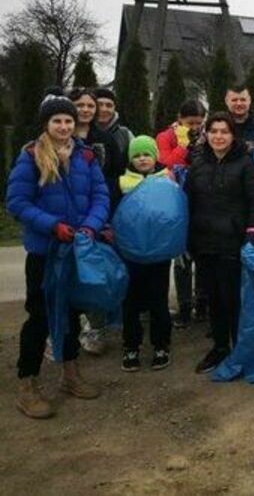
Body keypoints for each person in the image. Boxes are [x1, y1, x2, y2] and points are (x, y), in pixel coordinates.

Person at [6, 95, 110, 419]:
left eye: (68, 121)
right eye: (57, 122)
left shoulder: (86, 156)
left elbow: (100, 196)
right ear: (46, 125)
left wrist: (90, 227)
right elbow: (17, 202)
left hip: (77, 249)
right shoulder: (31, 156)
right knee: (40, 316)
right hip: (46, 251)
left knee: (71, 312)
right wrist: (53, 226)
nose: (64, 127)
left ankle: (70, 374)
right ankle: (27, 384)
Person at [184, 112, 254, 374]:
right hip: (204, 242)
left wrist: (253, 237)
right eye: (214, 131)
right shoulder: (197, 165)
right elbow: (188, 203)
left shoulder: (247, 164)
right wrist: (184, 239)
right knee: (213, 299)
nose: (218, 136)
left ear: (233, 135)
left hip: (233, 243)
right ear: (206, 134)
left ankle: (240, 347)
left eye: (224, 131)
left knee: (233, 300)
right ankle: (220, 347)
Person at [69, 87, 125, 356]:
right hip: (66, 217)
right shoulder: (57, 137)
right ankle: (66, 327)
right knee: (66, 274)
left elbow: (113, 180)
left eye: (91, 106)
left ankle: (96, 326)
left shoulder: (104, 140)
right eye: (80, 105)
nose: (88, 110)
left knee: (95, 273)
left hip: (99, 215)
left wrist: (105, 219)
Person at [118, 136, 173, 373]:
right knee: (130, 301)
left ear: (155, 156)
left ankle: (161, 345)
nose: (142, 159)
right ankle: (131, 346)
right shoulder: (122, 182)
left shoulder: (167, 179)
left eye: (146, 154)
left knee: (158, 300)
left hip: (159, 251)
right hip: (130, 251)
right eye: (137, 155)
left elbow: (174, 211)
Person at [156, 99, 207, 328]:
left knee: (203, 254)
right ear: (180, 119)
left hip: (202, 201)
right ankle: (185, 305)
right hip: (176, 200)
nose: (195, 127)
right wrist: (184, 144)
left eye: (199, 122)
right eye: (191, 123)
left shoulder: (207, 135)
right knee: (181, 256)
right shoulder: (166, 136)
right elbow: (165, 162)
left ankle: (203, 302)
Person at [93, 88, 133, 165]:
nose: (104, 109)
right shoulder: (82, 132)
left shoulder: (125, 135)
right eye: (99, 104)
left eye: (109, 105)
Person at [225, 84, 254, 151]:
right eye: (234, 100)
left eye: (243, 100)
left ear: (249, 100)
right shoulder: (219, 124)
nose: (239, 103)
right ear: (226, 101)